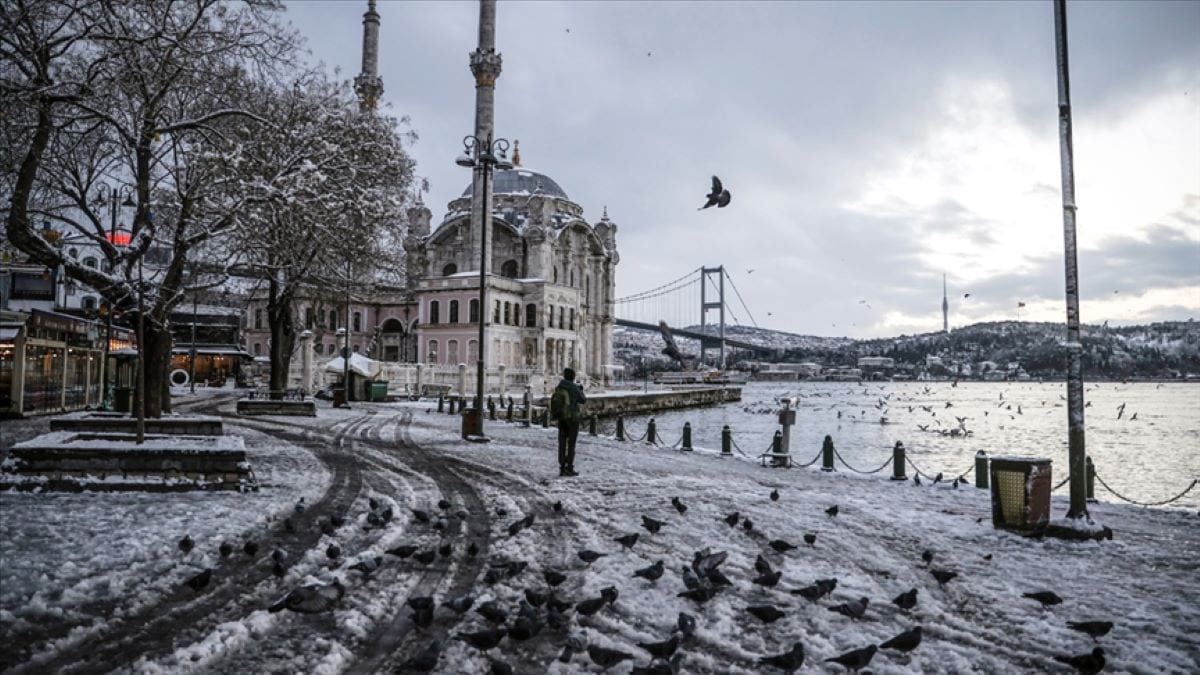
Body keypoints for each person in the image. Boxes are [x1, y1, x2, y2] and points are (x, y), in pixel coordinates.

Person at [552, 367, 586, 477]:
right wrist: (580, 390)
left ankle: (562, 467)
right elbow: (583, 400)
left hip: (562, 417)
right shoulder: (574, 388)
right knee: (571, 444)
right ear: (573, 377)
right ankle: (569, 467)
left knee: (562, 443)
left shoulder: (560, 386)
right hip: (572, 418)